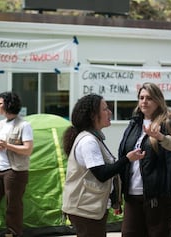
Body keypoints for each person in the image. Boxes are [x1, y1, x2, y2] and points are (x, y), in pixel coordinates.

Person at [61, 93, 144, 237]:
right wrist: (127, 159)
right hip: (85, 210)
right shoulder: (89, 141)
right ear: (93, 115)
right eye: (105, 109)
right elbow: (102, 174)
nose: (110, 112)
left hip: (88, 208)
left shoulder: (93, 137)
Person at [118, 82, 171, 237]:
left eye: (149, 98)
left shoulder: (170, 123)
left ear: (158, 100)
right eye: (141, 98)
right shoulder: (134, 124)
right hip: (132, 194)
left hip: (160, 196)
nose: (144, 101)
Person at [0, 92, 33, 237]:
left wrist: (8, 146)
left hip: (15, 171)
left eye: (0, 104)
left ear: (9, 105)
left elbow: (28, 149)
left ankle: (13, 233)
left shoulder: (24, 125)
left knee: (13, 205)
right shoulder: (1, 124)